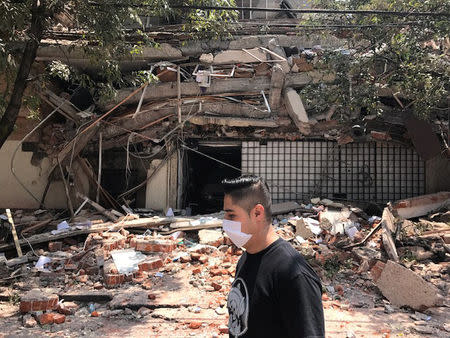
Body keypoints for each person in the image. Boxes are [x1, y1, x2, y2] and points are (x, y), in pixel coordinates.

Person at [222, 175, 325, 338]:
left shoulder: (293, 275)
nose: (225, 222)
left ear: (257, 213)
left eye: (231, 215)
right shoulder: (246, 259)